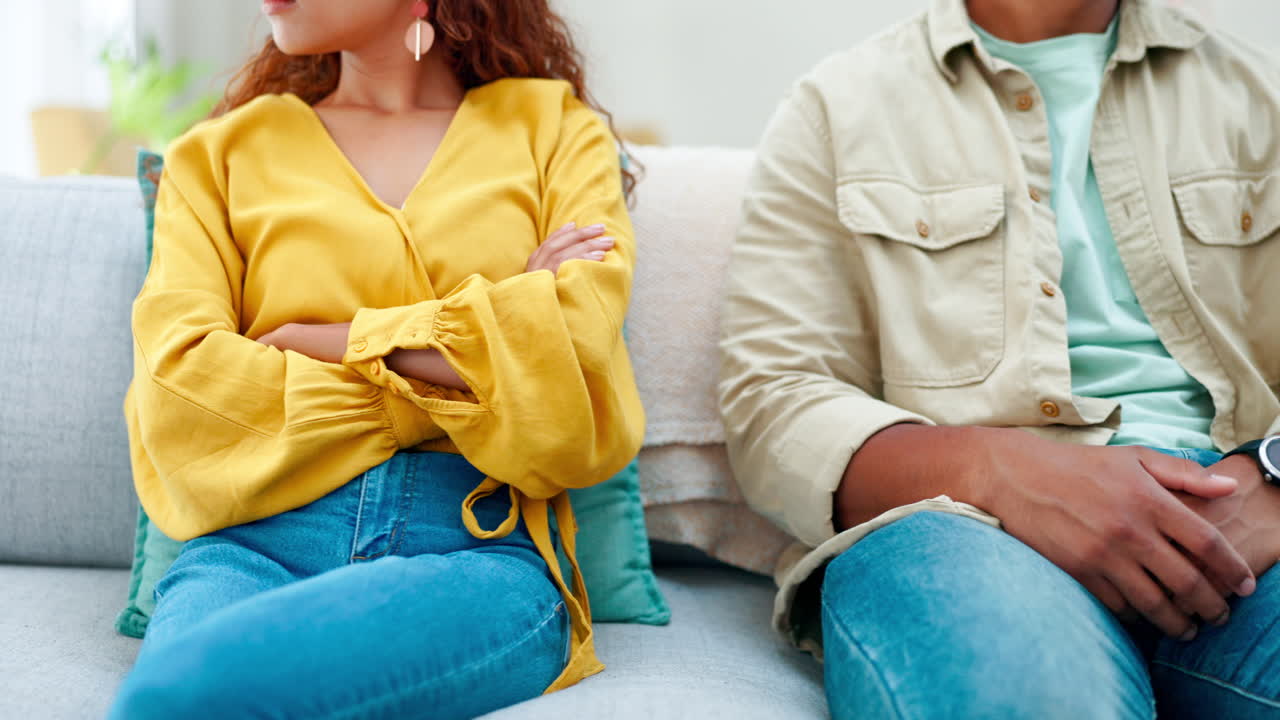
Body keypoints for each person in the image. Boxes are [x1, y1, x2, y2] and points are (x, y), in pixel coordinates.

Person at [719, 0, 1280, 716]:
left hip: (1242, 515)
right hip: (964, 530)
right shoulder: (837, 107)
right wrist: (1001, 473)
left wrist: (1274, 477)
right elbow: (774, 399)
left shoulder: (1263, 93)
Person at [108, 1, 644, 717]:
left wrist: (330, 338)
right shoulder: (217, 155)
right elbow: (180, 401)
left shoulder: (553, 130)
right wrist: (496, 342)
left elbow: (575, 369)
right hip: (257, 547)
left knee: (200, 699)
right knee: (172, 700)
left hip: (473, 551)